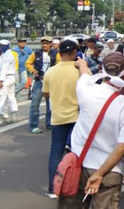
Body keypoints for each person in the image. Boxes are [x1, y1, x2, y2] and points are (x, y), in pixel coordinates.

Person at [57, 53, 124, 209]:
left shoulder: (86, 91)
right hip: (109, 172)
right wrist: (99, 174)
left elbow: (84, 74)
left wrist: (82, 64)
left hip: (78, 166)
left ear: (101, 70)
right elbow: (122, 147)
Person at [43, 40, 82, 199]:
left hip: (58, 117)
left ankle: (53, 188)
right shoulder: (80, 71)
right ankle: (76, 186)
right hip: (77, 117)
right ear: (74, 53)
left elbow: (46, 94)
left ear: (59, 53)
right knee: (78, 152)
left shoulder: (50, 72)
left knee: (56, 151)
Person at [25, 36, 58, 133]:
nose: (44, 44)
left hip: (51, 81)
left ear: (51, 44)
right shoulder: (36, 53)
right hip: (39, 81)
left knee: (51, 105)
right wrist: (33, 71)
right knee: (35, 103)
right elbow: (28, 63)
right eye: (43, 43)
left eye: (47, 43)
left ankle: (50, 124)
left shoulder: (56, 54)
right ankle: (33, 126)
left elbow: (60, 64)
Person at [0, 39, 19, 124]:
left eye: (1, 45)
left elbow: (4, 68)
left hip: (6, 78)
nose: (0, 47)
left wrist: (1, 80)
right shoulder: (9, 54)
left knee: (1, 96)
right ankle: (14, 114)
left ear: (5, 46)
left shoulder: (7, 55)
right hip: (11, 77)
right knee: (11, 96)